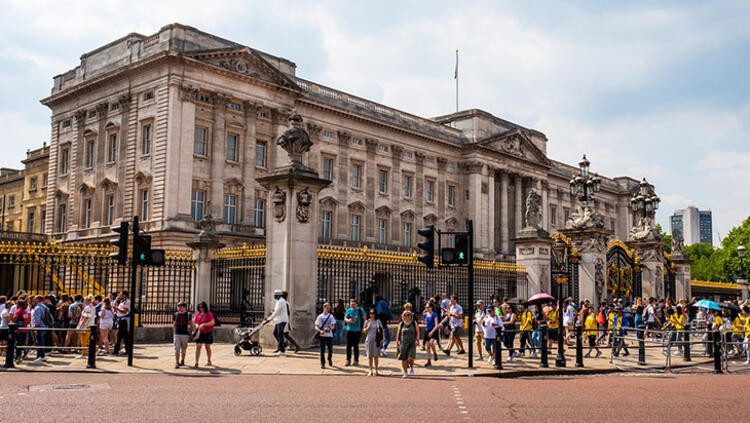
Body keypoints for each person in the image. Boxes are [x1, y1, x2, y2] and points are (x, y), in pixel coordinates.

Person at [396, 310, 420, 378]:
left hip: (412, 343)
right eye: (405, 315)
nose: (407, 316)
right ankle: (405, 372)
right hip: (403, 343)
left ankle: (411, 366)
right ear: (403, 316)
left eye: (408, 315)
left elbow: (417, 332)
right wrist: (397, 342)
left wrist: (417, 340)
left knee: (410, 358)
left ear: (411, 316)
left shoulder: (413, 323)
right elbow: (398, 333)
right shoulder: (401, 324)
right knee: (404, 358)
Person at [264, 289, 288, 356]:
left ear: (278, 295)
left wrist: (269, 319)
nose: (274, 296)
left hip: (281, 320)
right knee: (275, 333)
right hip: (278, 320)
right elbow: (275, 311)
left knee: (280, 334)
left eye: (275, 295)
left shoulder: (281, 302)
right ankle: (283, 345)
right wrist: (269, 317)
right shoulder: (279, 301)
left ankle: (282, 351)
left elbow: (277, 312)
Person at [344, 298, 366, 366]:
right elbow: (345, 318)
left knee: (356, 345)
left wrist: (363, 328)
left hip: (357, 330)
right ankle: (348, 360)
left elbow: (364, 319)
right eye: (351, 304)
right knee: (348, 346)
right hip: (349, 329)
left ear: (356, 304)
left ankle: (356, 360)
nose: (352, 305)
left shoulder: (360, 310)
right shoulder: (349, 310)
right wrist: (348, 321)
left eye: (354, 304)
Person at [314, 302, 336, 369]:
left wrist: (329, 328)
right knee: (322, 350)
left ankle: (329, 358)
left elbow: (333, 326)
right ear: (324, 308)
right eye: (327, 308)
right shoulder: (320, 316)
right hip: (322, 335)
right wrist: (320, 331)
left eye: (329, 308)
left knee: (330, 349)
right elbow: (316, 326)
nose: (328, 309)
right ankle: (323, 363)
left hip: (329, 335)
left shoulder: (331, 316)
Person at [173, 301, 194, 368]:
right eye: (178, 307)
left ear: (184, 307)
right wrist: (174, 332)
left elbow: (191, 323)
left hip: (185, 334)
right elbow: (174, 324)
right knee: (177, 349)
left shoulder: (188, 314)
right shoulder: (175, 314)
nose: (179, 308)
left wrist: (192, 330)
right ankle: (177, 362)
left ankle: (182, 360)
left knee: (184, 349)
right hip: (177, 333)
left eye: (181, 307)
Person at [362, 308, 383, 376]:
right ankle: (370, 369)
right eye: (370, 313)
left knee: (376, 356)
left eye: (373, 313)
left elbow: (381, 330)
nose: (371, 315)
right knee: (370, 356)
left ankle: (376, 369)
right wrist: (368, 327)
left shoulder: (378, 321)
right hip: (369, 340)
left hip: (376, 340)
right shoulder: (367, 321)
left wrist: (383, 338)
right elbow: (364, 331)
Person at [194, 301, 215, 367]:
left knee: (207, 347)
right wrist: (197, 325)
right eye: (200, 307)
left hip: (207, 332)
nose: (201, 308)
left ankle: (209, 360)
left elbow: (212, 322)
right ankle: (196, 362)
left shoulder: (209, 314)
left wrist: (204, 324)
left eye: (202, 307)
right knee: (198, 346)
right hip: (200, 333)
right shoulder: (198, 315)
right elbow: (195, 322)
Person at [31, 295, 51, 362]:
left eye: (34, 300)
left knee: (40, 341)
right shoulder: (44, 307)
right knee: (41, 340)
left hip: (40, 326)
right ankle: (40, 355)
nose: (33, 301)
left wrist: (35, 328)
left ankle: (41, 356)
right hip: (44, 325)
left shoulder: (38, 308)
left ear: (37, 300)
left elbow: (37, 319)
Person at [113, 291, 131, 356]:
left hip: (124, 320)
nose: (119, 295)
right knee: (120, 336)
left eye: (120, 294)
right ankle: (117, 350)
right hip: (120, 319)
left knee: (124, 336)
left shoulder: (127, 301)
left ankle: (125, 350)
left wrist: (117, 308)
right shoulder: (121, 301)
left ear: (124, 295)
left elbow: (124, 311)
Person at [13, 299, 31, 363]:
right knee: (19, 344)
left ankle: (19, 356)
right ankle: (17, 356)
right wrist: (16, 328)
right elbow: (15, 319)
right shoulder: (19, 311)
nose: (26, 306)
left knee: (22, 344)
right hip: (20, 330)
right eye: (25, 304)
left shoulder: (25, 311)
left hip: (24, 330)